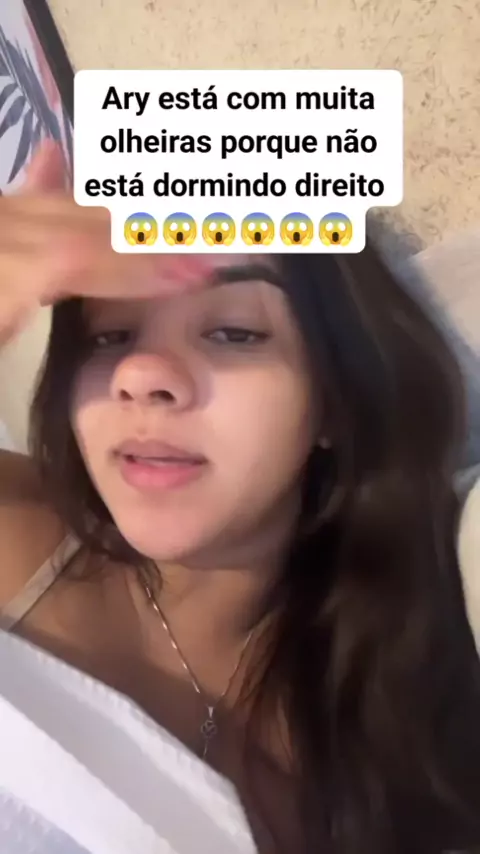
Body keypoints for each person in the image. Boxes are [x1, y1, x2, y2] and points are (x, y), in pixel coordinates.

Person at [0, 140, 479, 854]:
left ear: (335, 401)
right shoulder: (13, 531)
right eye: (110, 336)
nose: (141, 374)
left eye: (232, 332)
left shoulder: (415, 693)